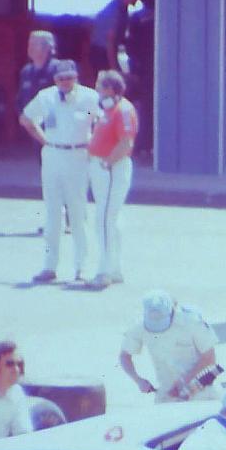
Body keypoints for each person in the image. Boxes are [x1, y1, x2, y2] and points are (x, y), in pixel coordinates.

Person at [19, 59, 99, 285]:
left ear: (76, 77)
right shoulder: (46, 97)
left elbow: (100, 121)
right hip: (53, 154)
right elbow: (26, 119)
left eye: (69, 78)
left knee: (78, 212)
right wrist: (44, 140)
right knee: (52, 213)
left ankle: (82, 266)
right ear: (55, 79)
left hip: (78, 155)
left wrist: (94, 145)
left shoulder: (89, 97)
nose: (65, 82)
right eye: (61, 78)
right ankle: (49, 266)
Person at [119, 291, 222, 403]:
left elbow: (209, 357)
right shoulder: (139, 326)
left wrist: (184, 381)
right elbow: (124, 356)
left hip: (200, 389)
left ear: (172, 310)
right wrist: (138, 380)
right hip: (168, 394)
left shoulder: (192, 322)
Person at [86, 70, 138, 289]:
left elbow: (126, 142)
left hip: (111, 169)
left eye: (99, 85)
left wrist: (107, 163)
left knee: (104, 219)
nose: (97, 88)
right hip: (103, 166)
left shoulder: (123, 110)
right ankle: (115, 268)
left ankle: (104, 271)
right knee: (111, 220)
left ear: (109, 88)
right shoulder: (107, 109)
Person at [125, 0, 155, 158]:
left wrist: (133, 68)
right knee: (151, 107)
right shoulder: (162, 16)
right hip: (155, 66)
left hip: (141, 68)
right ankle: (149, 143)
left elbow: (130, 46)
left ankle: (141, 144)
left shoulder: (136, 18)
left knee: (142, 107)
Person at [88, 0, 141, 78]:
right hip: (102, 55)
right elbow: (110, 42)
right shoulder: (114, 12)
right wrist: (115, 69)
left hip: (107, 52)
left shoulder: (122, 9)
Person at [16, 31, 60, 123]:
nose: (30, 47)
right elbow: (20, 99)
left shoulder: (58, 68)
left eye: (35, 44)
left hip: (51, 124)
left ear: (47, 47)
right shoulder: (26, 71)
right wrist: (22, 117)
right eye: (30, 43)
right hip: (29, 124)